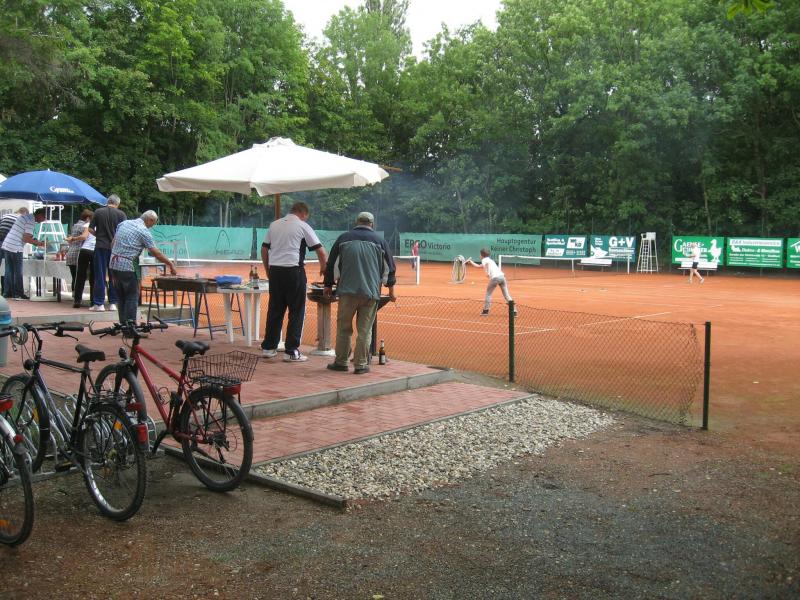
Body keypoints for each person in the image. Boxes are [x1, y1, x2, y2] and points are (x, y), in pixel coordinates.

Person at [323, 211, 396, 375]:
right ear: (372, 224)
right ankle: (361, 364)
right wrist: (391, 290)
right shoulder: (380, 241)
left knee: (344, 328)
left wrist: (328, 285)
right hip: (370, 293)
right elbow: (389, 268)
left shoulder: (343, 239)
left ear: (356, 222)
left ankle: (341, 362)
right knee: (365, 331)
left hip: (347, 292)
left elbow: (332, 264)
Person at [260, 201, 327, 362]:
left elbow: (264, 249)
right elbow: (321, 251)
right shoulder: (303, 226)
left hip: (275, 271)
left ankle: (269, 348)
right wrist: (324, 269)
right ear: (303, 213)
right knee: (296, 311)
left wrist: (268, 270)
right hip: (294, 272)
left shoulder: (274, 225)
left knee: (275, 309)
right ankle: (291, 351)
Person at [109, 210, 176, 325]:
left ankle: (123, 325)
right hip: (127, 266)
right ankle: (130, 326)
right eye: (153, 223)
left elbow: (112, 243)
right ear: (150, 220)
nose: (152, 226)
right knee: (131, 296)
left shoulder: (124, 223)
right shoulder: (144, 231)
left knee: (121, 296)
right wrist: (170, 264)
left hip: (113, 264)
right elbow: (156, 253)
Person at [89, 194, 126, 312]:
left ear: (107, 201)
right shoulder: (121, 214)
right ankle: (113, 303)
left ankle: (99, 304)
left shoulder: (98, 212)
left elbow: (90, 229)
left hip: (100, 246)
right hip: (115, 249)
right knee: (114, 276)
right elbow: (124, 232)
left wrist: (98, 236)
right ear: (117, 203)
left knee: (100, 275)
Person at [1, 207, 46, 300]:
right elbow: (26, 238)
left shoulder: (25, 217)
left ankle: (7, 292)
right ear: (40, 215)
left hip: (7, 244)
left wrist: (34, 240)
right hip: (15, 246)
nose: (44, 220)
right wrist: (39, 243)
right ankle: (18, 293)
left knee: (9, 270)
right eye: (44, 218)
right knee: (18, 271)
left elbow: (24, 234)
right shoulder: (31, 221)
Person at [465, 248, 515, 316]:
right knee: (506, 295)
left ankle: (485, 311)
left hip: (495, 278)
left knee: (488, 294)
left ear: (481, 255)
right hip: (502, 277)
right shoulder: (490, 260)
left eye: (480, 254)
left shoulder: (484, 260)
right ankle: (514, 311)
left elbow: (487, 265)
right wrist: (471, 262)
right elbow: (479, 266)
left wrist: (488, 273)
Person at [65, 209, 96, 307]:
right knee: (93, 277)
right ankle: (93, 300)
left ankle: (77, 300)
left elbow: (84, 237)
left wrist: (73, 238)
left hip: (82, 251)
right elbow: (84, 236)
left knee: (79, 276)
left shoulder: (76, 225)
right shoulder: (93, 225)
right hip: (94, 250)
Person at [0, 207, 27, 296]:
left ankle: (6, 292)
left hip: (2, 242)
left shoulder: (5, 216)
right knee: (15, 268)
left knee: (8, 268)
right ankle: (17, 293)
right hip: (12, 244)